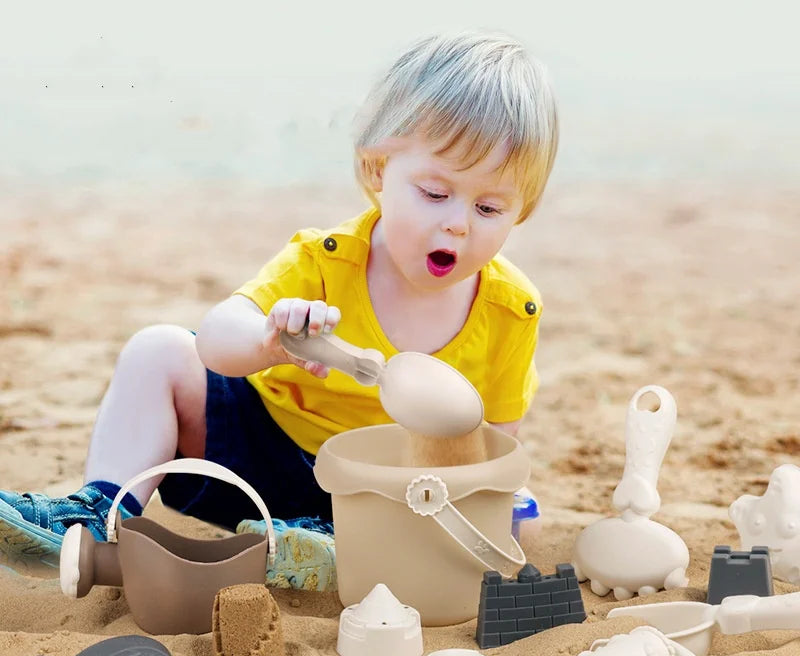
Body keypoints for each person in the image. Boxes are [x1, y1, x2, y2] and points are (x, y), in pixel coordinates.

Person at [0, 30, 558, 591]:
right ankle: (96, 515)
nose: (458, 222)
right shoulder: (325, 261)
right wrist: (267, 340)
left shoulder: (512, 312)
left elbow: (491, 443)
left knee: (506, 513)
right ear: (378, 170)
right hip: (258, 451)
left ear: (522, 209)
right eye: (435, 194)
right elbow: (214, 341)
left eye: (489, 207)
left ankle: (318, 546)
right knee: (158, 350)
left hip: (379, 495)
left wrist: (496, 499)